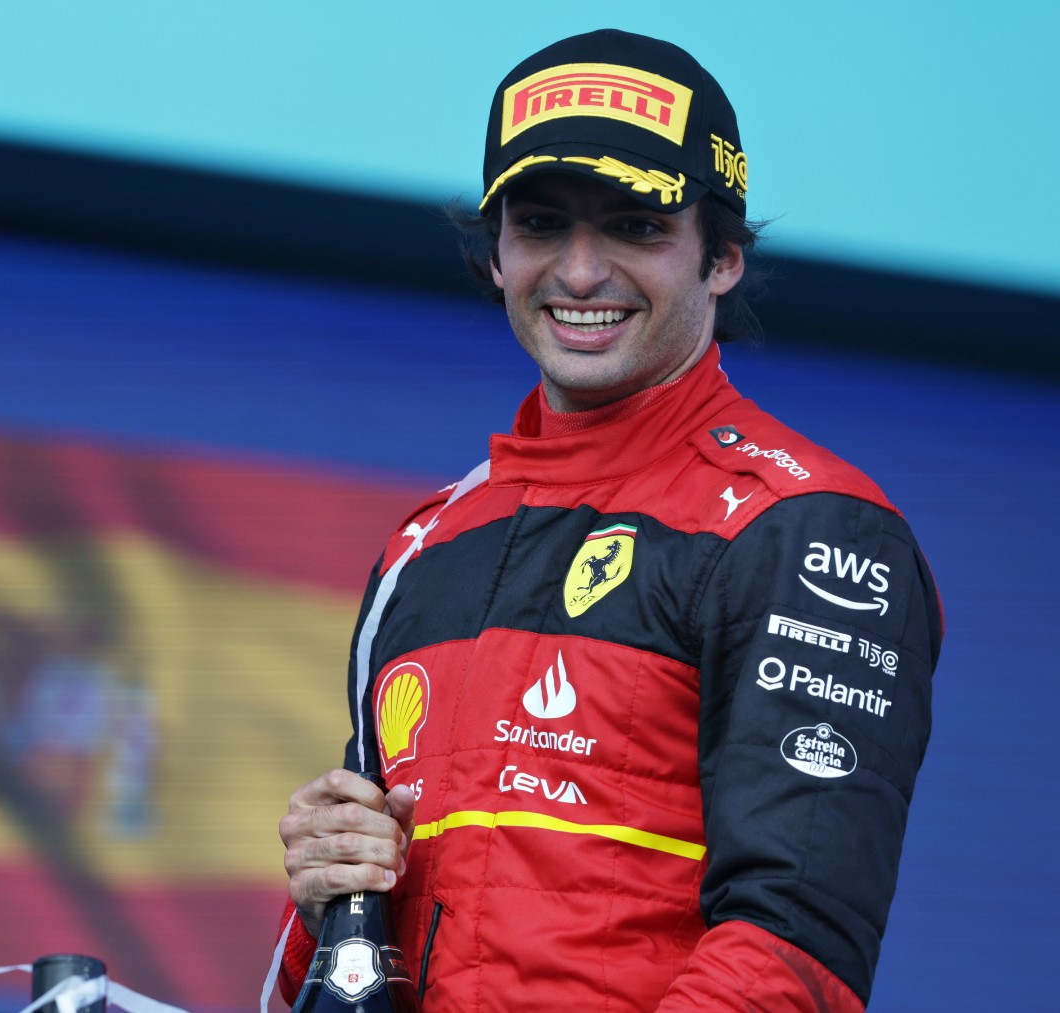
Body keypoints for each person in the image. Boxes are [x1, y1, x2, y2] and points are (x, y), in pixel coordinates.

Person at [269, 28, 940, 1013]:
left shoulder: (809, 528)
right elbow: (348, 970)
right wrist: (323, 896)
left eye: (633, 226)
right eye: (541, 225)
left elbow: (795, 953)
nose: (580, 273)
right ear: (495, 255)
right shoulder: (425, 546)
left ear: (723, 258)